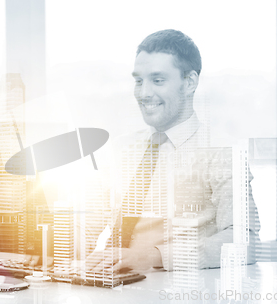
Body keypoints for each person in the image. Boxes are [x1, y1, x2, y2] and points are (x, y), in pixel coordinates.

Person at [84, 29, 260, 273]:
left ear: (189, 82)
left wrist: (152, 256)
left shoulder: (222, 152)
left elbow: (245, 241)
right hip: (111, 288)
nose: (144, 93)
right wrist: (49, 251)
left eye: (158, 80)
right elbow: (90, 222)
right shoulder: (121, 148)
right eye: (138, 80)